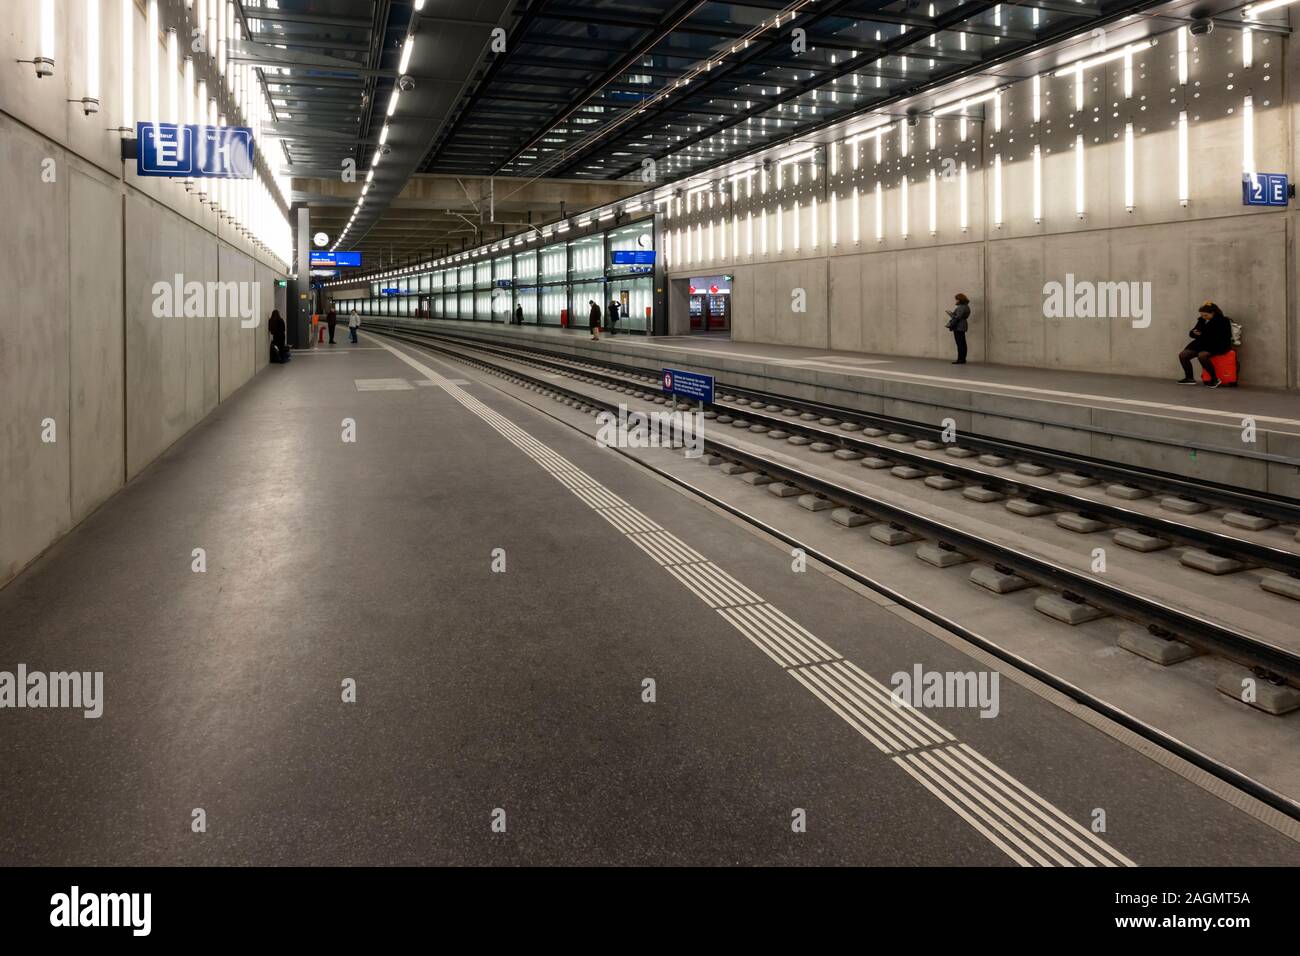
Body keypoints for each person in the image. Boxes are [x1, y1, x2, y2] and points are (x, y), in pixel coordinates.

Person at [1178, 301, 1232, 387]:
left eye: (1206, 315)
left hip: (1218, 345)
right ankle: (1189, 378)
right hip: (1202, 344)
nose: (1204, 317)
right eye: (1202, 315)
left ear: (1213, 313)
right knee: (1183, 355)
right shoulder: (1202, 320)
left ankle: (1215, 379)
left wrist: (1201, 334)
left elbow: (1220, 337)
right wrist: (1194, 333)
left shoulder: (1223, 321)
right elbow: (1192, 332)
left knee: (1202, 355)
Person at [945, 293, 971, 364]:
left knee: (960, 343)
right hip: (962, 325)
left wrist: (951, 316)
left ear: (960, 299)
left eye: (956, 299)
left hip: (959, 326)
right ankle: (962, 359)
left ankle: (960, 359)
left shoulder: (961, 307)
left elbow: (957, 317)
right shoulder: (966, 306)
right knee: (962, 343)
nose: (956, 301)